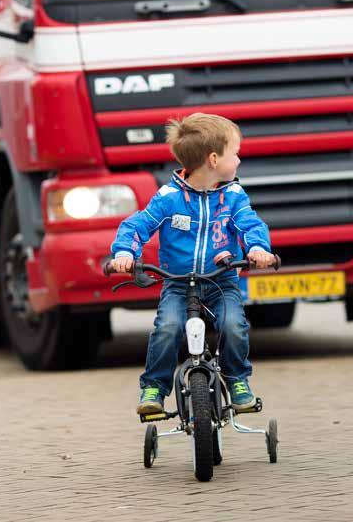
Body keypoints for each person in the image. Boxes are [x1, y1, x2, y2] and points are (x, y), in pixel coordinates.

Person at [108, 113, 276, 415]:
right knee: (167, 328)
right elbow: (137, 226)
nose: (238, 160)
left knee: (233, 325)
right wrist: (125, 254)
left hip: (220, 281)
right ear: (213, 159)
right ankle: (154, 389)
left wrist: (258, 249)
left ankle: (237, 380)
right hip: (178, 283)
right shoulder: (169, 198)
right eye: (234, 153)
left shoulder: (233, 197)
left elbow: (250, 226)